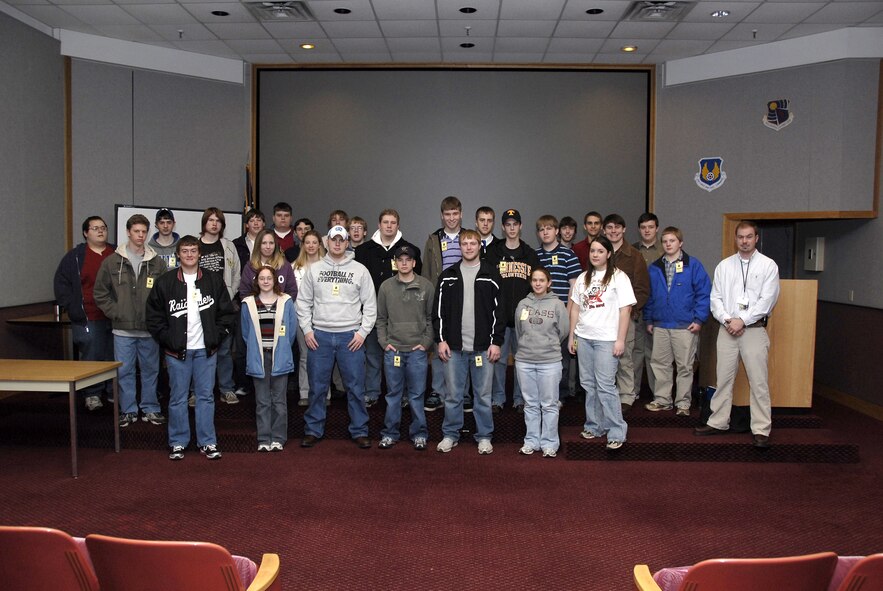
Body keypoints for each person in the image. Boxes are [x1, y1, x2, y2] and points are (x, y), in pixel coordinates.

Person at [146, 235, 236, 461]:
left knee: (206, 397)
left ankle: (207, 442)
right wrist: (168, 339)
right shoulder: (165, 282)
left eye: (193, 251)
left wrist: (216, 336)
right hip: (177, 352)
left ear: (199, 254)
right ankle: (178, 442)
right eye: (184, 251)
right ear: (178, 254)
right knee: (177, 397)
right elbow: (154, 317)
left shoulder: (213, 280)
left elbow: (227, 313)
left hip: (206, 351)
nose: (189, 255)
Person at [696, 221, 780, 448]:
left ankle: (761, 428)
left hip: (753, 330)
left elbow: (767, 300)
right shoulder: (724, 266)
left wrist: (743, 320)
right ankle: (718, 421)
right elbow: (716, 299)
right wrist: (727, 320)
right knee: (722, 379)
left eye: (749, 237)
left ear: (756, 238)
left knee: (758, 381)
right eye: (741, 237)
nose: (744, 241)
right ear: (736, 239)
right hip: (727, 330)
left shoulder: (768, 266)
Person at [297, 225, 376, 449]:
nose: (338, 243)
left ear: (347, 241)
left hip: (350, 337)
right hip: (320, 336)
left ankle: (359, 431)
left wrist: (362, 333)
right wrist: (307, 330)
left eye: (342, 239)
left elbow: (370, 305)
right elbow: (302, 303)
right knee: (318, 387)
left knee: (355, 388)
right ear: (327, 242)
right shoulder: (314, 269)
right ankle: (313, 430)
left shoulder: (360, 270)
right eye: (334, 239)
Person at [433, 229, 505, 455]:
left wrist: (496, 342)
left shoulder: (491, 274)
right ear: (460, 247)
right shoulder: (448, 276)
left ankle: (484, 436)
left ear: (479, 246)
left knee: (483, 397)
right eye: (465, 244)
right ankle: (450, 435)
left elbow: (499, 313)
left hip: (483, 348)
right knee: (453, 395)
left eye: (473, 243)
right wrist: (441, 340)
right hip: (454, 348)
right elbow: (439, 312)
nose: (469, 247)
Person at [94, 213, 168, 427]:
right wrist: (116, 311)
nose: (140, 235)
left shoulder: (156, 262)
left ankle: (151, 408)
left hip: (148, 329)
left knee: (151, 370)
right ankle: (128, 410)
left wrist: (156, 318)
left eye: (144, 231)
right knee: (124, 371)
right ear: (128, 232)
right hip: (122, 329)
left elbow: (163, 295)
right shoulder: (112, 262)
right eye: (136, 231)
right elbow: (100, 293)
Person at [569, 235, 635, 451]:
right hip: (584, 337)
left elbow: (626, 310)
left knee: (606, 385)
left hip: (607, 340)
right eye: (592, 251)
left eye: (600, 251)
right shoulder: (582, 278)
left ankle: (616, 431)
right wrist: (572, 336)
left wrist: (621, 340)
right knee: (589, 384)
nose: (595, 254)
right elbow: (576, 309)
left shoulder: (619, 277)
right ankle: (594, 425)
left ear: (608, 254)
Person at [355, 209, 422, 408]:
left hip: (402, 315)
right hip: (372, 312)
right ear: (379, 224)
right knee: (373, 355)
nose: (389, 226)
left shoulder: (410, 250)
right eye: (386, 222)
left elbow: (416, 282)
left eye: (393, 222)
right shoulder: (364, 250)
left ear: (398, 225)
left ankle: (403, 395)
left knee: (402, 359)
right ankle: (372, 392)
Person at [643, 226, 711, 416]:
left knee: (684, 367)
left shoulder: (693, 265)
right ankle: (663, 399)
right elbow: (649, 296)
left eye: (672, 241)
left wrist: (698, 319)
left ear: (680, 243)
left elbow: (704, 294)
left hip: (685, 326)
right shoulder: (655, 267)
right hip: (660, 324)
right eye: (664, 241)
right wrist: (648, 318)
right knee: (659, 364)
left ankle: (683, 403)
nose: (668, 244)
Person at [53, 216, 116, 411]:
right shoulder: (76, 256)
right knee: (92, 355)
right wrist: (70, 306)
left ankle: (113, 393)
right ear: (85, 233)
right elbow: (61, 282)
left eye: (103, 228)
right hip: (88, 314)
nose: (100, 231)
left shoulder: (116, 253)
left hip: (115, 315)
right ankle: (92, 394)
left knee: (113, 356)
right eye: (95, 228)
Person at [375, 245, 434, 451]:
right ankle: (390, 433)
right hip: (394, 351)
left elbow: (431, 319)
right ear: (395, 262)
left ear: (414, 263)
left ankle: (419, 433)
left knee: (417, 395)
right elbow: (381, 319)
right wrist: (384, 343)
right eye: (400, 260)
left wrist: (425, 344)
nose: (404, 263)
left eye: (408, 260)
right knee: (393, 395)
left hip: (417, 351)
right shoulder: (386, 287)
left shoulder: (426, 286)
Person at [485, 208, 539, 413]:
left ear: (521, 226)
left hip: (523, 319)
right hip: (499, 317)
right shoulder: (493, 253)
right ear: (503, 227)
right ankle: (498, 398)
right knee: (497, 360)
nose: (512, 228)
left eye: (515, 224)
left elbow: (538, 286)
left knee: (522, 361)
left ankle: (519, 399)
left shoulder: (529, 254)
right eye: (508, 224)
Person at [241, 266, 297, 452]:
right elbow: (245, 333)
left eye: (269, 278)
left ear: (275, 281)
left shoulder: (286, 301)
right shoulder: (248, 303)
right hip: (259, 356)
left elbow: (290, 332)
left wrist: (280, 350)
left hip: (279, 356)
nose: (265, 281)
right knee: (262, 401)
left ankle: (278, 438)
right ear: (256, 281)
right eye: (262, 278)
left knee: (279, 401)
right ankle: (264, 439)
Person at [514, 267, 568, 458]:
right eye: (535, 280)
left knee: (549, 404)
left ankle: (550, 443)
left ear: (549, 283)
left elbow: (563, 331)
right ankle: (531, 441)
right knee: (530, 404)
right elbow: (519, 331)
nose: (538, 283)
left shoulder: (557, 304)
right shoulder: (522, 304)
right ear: (531, 282)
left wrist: (547, 344)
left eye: (542, 280)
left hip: (550, 361)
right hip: (524, 361)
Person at [602, 213, 650, 414]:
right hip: (602, 318)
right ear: (604, 230)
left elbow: (642, 288)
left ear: (624, 230)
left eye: (617, 227)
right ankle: (607, 395)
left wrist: (630, 310)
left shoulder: (634, 255)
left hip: (625, 316)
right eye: (610, 227)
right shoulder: (598, 252)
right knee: (604, 358)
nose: (613, 231)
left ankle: (626, 396)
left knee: (625, 357)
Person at [422, 196, 464, 413]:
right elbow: (427, 272)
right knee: (440, 343)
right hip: (441, 298)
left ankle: (463, 392)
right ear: (442, 216)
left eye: (455, 214)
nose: (451, 218)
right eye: (447, 214)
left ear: (461, 214)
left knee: (464, 345)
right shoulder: (433, 239)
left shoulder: (468, 237)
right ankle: (437, 391)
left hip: (465, 299)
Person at [198, 207, 243, 404]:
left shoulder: (228, 246)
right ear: (204, 223)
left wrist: (228, 296)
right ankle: (197, 390)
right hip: (199, 306)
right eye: (211, 220)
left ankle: (226, 388)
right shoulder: (195, 245)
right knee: (199, 350)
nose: (214, 223)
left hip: (223, 306)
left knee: (224, 350)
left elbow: (237, 275)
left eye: (218, 221)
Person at [535, 214, 582, 402]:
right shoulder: (535, 255)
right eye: (541, 229)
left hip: (562, 314)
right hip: (540, 316)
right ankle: (542, 395)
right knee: (541, 357)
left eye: (549, 228)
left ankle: (560, 396)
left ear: (556, 231)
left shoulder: (568, 254)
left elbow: (574, 286)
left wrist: (567, 313)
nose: (545, 232)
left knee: (561, 359)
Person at [291, 230, 327, 407]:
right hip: (301, 317)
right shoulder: (294, 267)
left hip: (323, 318)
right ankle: (304, 393)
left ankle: (324, 393)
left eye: (314, 242)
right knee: (305, 356)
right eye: (308, 242)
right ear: (303, 245)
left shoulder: (328, 266)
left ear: (320, 244)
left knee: (324, 357)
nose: (311, 245)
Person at [632, 212, 663, 399]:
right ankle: (633, 391)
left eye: (651, 227)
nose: (647, 231)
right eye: (643, 227)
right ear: (639, 230)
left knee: (655, 354)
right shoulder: (633, 250)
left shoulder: (665, 249)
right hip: (637, 308)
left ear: (656, 228)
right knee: (635, 352)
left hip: (658, 309)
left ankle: (657, 392)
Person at [238, 229, 298, 299]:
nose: (268, 247)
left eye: (271, 243)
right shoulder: (250, 267)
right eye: (264, 243)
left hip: (281, 308)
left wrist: (280, 305)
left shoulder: (284, 266)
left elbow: (292, 291)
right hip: (255, 308)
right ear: (258, 245)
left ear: (275, 245)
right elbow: (244, 293)